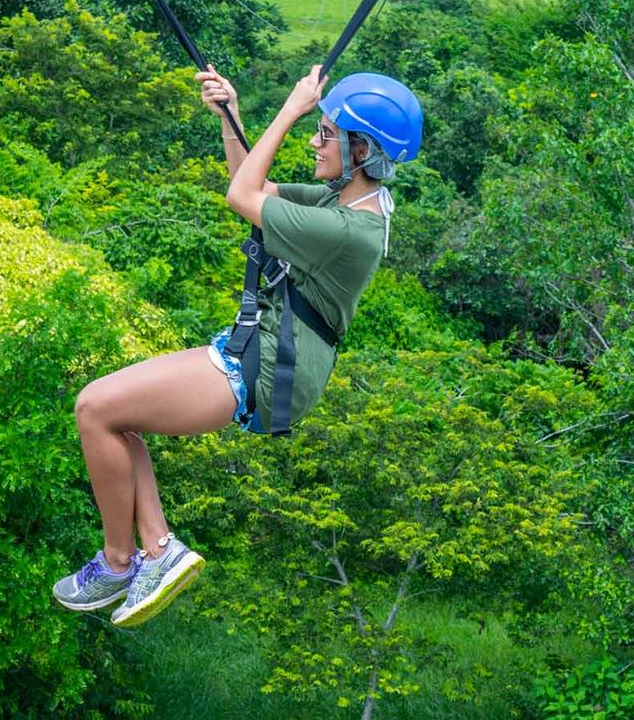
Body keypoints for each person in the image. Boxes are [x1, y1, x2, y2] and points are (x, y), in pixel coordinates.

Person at [52, 63, 422, 628]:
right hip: (258, 347)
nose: (314, 141)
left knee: (94, 407)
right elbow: (256, 186)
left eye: (326, 133)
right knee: (114, 416)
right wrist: (231, 117)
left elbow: (239, 195)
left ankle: (121, 559)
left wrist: (291, 107)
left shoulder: (348, 230)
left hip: (271, 363)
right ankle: (154, 551)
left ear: (363, 150)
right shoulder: (341, 204)